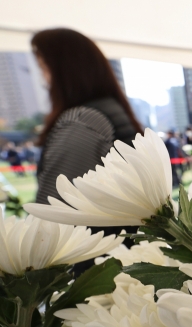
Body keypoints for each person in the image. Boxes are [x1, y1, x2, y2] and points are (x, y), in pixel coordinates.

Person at [30, 28, 142, 260]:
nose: (43, 79)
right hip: (119, 250)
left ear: (64, 70)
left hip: (91, 260)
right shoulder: (109, 109)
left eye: (43, 67)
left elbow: (53, 210)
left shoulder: (83, 120)